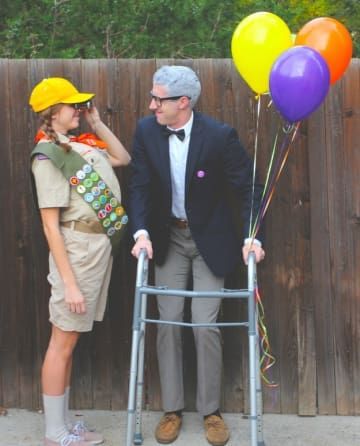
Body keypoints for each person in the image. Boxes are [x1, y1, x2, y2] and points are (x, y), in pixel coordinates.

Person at [129, 65, 265, 446]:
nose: (152, 104)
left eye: (159, 99)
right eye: (153, 97)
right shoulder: (145, 131)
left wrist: (252, 236)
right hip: (166, 238)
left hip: (210, 241)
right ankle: (172, 409)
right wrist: (140, 231)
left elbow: (249, 188)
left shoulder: (220, 137)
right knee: (168, 320)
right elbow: (138, 184)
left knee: (205, 324)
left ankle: (211, 412)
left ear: (183, 102)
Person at [29, 77, 131, 446]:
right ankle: (55, 432)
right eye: (72, 105)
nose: (79, 109)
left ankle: (65, 423)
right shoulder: (49, 156)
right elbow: (50, 227)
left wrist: (97, 122)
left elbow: (123, 158)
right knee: (62, 341)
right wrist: (69, 283)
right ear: (52, 113)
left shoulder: (80, 144)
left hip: (95, 248)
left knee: (70, 341)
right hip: (76, 250)